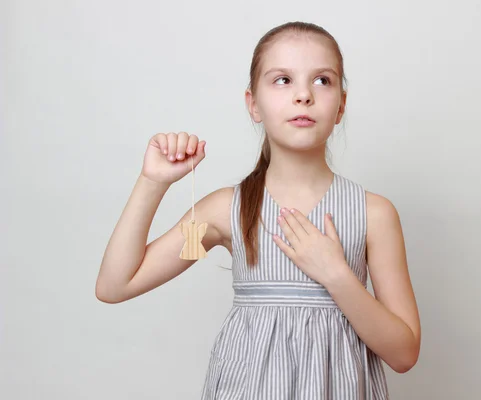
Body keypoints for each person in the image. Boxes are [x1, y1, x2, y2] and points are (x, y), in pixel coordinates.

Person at [96, 21, 421, 399]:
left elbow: (404, 354)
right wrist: (153, 182)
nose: (303, 95)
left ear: (341, 106)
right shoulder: (225, 210)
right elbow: (115, 286)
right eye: (282, 80)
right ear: (253, 104)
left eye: (322, 81)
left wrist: (338, 276)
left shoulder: (374, 214)